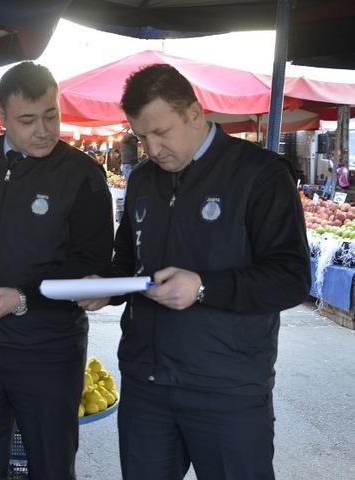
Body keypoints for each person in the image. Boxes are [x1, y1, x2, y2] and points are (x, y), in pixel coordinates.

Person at [79, 64, 311, 480]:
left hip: (227, 389)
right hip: (147, 383)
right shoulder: (143, 181)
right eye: (141, 137)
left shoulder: (259, 174)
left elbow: (291, 278)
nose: (152, 148)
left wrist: (203, 287)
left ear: (194, 114)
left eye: (161, 132)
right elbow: (128, 262)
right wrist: (108, 287)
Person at [0, 61, 114, 480]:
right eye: (27, 120)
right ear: (1, 116)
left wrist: (25, 296)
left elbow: (92, 262)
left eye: (52, 115)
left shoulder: (82, 175)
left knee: (51, 463)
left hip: (48, 350)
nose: (44, 130)